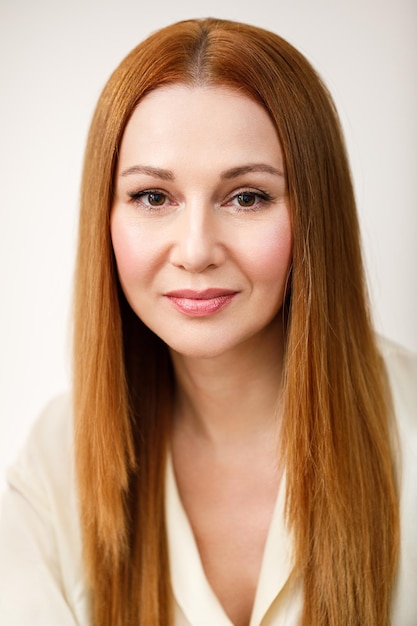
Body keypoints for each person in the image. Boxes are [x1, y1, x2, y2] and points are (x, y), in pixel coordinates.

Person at [0, 16, 416, 626]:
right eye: (153, 197)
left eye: (247, 196)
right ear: (106, 219)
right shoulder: (56, 461)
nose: (196, 250)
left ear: (313, 216)